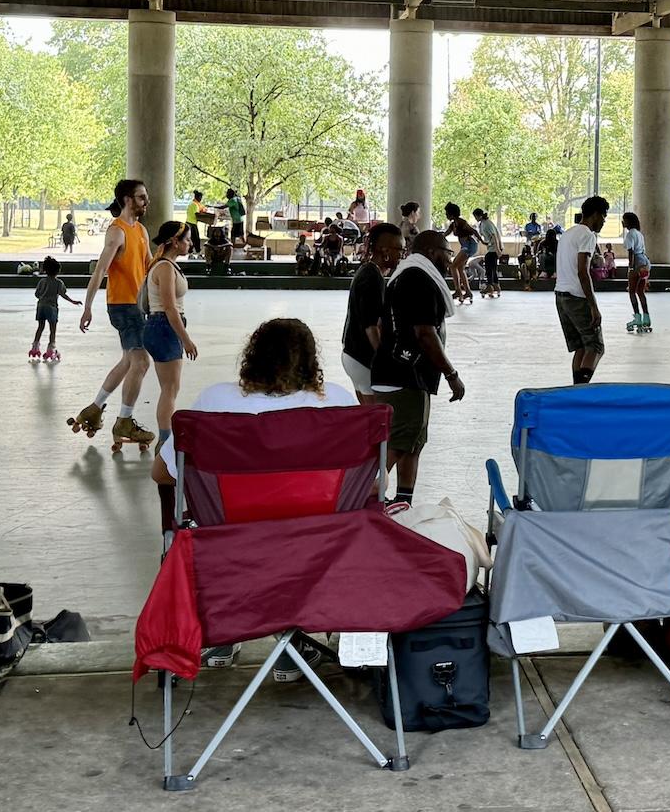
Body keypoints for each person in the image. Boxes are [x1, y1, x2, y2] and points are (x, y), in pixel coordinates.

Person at [157, 318, 358, 675]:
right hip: (319, 552)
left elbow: (162, 473)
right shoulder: (339, 405)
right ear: (311, 362)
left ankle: (222, 632)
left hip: (230, 553)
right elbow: (368, 482)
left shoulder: (214, 402)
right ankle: (294, 641)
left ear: (252, 357)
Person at [370, 230, 466, 513]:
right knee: (399, 443)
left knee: (412, 442)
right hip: (404, 376)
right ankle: (365, 496)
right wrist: (451, 374)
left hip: (403, 373)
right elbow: (425, 333)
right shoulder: (418, 278)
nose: (449, 262)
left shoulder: (406, 275)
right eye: (447, 254)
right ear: (431, 251)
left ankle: (403, 502)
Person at [70, 179, 155, 452]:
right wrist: (87, 306)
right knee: (141, 362)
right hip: (122, 306)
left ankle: (94, 408)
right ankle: (125, 421)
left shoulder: (140, 230)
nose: (146, 202)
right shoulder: (116, 233)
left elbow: (151, 266)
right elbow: (99, 271)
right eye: (142, 197)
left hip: (137, 305)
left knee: (129, 361)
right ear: (128, 200)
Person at [143, 221, 200, 462]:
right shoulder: (165, 268)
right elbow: (169, 307)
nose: (190, 244)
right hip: (165, 328)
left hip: (160, 328)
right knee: (170, 389)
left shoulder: (166, 265)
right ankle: (165, 442)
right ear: (174, 242)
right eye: (186, 239)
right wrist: (185, 339)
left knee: (170, 388)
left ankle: (165, 439)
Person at [341, 223, 404, 403]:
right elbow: (371, 326)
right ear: (384, 250)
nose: (401, 255)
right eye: (399, 249)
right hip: (363, 357)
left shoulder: (367, 271)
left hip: (352, 354)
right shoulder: (373, 278)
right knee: (374, 418)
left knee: (367, 415)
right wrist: (383, 360)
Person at [556, 195, 609, 384]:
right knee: (595, 347)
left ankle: (575, 390)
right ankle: (582, 390)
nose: (604, 222)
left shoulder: (568, 234)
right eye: (603, 217)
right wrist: (594, 306)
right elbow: (582, 271)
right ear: (595, 215)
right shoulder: (587, 235)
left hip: (561, 296)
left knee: (580, 347)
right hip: (577, 298)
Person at [29, 255, 80, 363]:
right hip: (52, 308)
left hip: (40, 306)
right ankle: (51, 348)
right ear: (58, 271)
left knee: (40, 327)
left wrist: (43, 298)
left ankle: (35, 347)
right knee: (52, 329)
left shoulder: (42, 282)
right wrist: (73, 301)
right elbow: (63, 294)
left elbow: (37, 294)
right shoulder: (59, 283)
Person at [442, 202, 481, 303]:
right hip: (465, 246)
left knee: (453, 266)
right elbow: (445, 234)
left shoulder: (461, 222)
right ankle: (468, 291)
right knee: (459, 267)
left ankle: (458, 290)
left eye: (447, 213)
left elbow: (474, 231)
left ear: (451, 214)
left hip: (469, 246)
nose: (446, 215)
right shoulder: (453, 224)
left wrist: (483, 241)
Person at [622, 211, 652, 333]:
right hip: (645, 262)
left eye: (624, 220)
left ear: (628, 222)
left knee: (631, 291)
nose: (622, 222)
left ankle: (637, 317)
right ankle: (646, 317)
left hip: (637, 263)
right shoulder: (639, 234)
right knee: (641, 292)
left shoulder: (630, 235)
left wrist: (630, 267)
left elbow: (631, 252)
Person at [474, 207, 504, 298]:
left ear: (478, 216)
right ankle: (496, 286)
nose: (475, 218)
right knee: (493, 267)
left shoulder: (486, 224)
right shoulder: (484, 223)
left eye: (475, 216)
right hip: (492, 247)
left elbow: (494, 236)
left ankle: (490, 286)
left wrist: (498, 249)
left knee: (489, 267)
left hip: (494, 248)